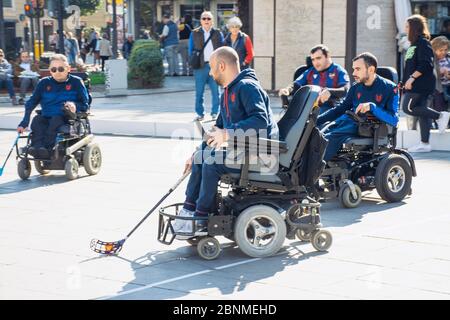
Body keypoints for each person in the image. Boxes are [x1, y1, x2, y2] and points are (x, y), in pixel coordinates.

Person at [173, 47, 278, 236]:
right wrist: (197, 151)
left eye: (212, 68)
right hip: (242, 151)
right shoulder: (228, 92)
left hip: (260, 154)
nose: (211, 73)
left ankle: (202, 218)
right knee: (200, 157)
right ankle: (188, 211)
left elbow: (260, 121)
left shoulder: (247, 87)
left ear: (221, 66)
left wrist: (228, 134)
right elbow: (217, 130)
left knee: (211, 164)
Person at [317, 52, 399, 162]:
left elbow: (393, 120)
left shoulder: (390, 88)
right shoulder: (356, 87)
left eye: (358, 69)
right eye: (353, 69)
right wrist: (314, 120)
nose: (354, 73)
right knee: (317, 134)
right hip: (349, 121)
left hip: (370, 126)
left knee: (329, 138)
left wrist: (372, 107)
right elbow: (340, 109)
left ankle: (314, 172)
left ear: (371, 70)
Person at [16, 54, 89, 159]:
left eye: (61, 69)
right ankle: (37, 148)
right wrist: (24, 122)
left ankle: (48, 149)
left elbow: (85, 104)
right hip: (47, 115)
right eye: (54, 69)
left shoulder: (76, 82)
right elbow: (31, 102)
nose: (57, 72)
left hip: (66, 117)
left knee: (55, 120)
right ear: (50, 70)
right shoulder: (44, 82)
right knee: (37, 120)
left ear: (68, 68)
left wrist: (75, 106)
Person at [401, 15, 450, 153]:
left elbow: (426, 65)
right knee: (423, 113)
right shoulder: (414, 44)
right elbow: (410, 66)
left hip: (421, 85)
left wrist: (411, 79)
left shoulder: (423, 43)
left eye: (407, 26)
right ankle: (425, 143)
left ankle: (440, 116)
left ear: (414, 28)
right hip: (415, 84)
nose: (405, 28)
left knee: (408, 108)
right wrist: (404, 82)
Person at [279, 45, 350, 114]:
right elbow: (296, 84)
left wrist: (330, 91)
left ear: (328, 56)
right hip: (310, 107)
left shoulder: (339, 71)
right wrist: (287, 90)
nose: (315, 62)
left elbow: (345, 90)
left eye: (318, 58)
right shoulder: (310, 71)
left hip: (331, 108)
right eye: (313, 59)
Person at [189, 11, 224, 121]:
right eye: (204, 18)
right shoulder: (194, 33)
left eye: (208, 18)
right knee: (199, 92)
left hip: (214, 66)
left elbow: (222, 49)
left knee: (216, 91)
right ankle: (200, 113)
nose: (206, 21)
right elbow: (190, 50)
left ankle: (215, 113)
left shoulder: (218, 33)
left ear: (212, 21)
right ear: (201, 20)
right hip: (200, 66)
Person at [431, 36, 450, 112]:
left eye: (445, 50)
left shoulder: (448, 58)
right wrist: (439, 72)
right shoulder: (432, 60)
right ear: (434, 50)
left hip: (448, 87)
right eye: (441, 50)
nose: (443, 52)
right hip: (438, 89)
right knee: (439, 110)